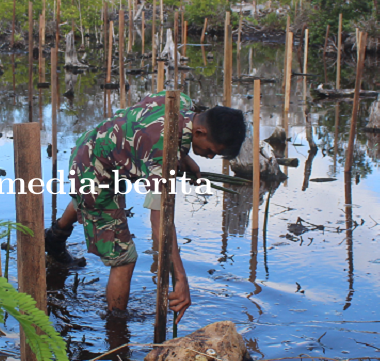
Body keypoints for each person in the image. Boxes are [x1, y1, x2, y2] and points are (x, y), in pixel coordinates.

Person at [44, 90, 246, 321]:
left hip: (94, 145)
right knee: (124, 257)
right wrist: (181, 279)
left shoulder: (180, 102)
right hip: (93, 168)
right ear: (200, 131)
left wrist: (185, 158)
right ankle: (116, 324)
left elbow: (152, 123)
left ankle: (54, 239)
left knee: (87, 200)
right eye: (211, 151)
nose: (209, 158)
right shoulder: (163, 154)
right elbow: (160, 223)